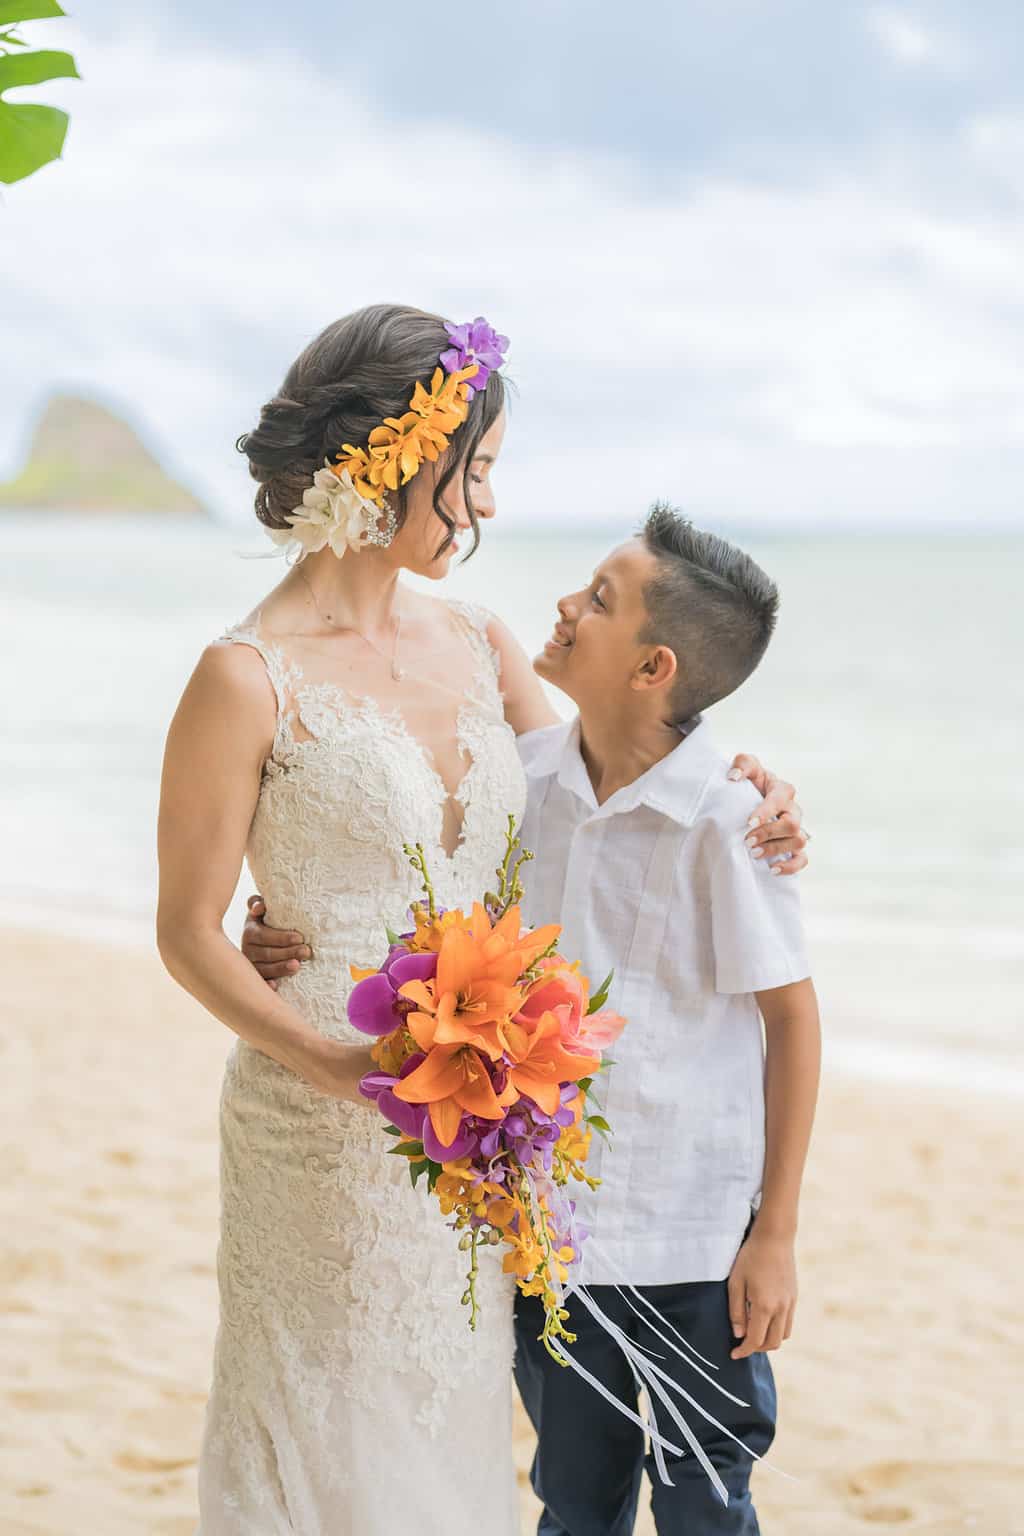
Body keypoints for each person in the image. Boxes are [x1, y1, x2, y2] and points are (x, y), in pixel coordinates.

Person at [160, 301, 808, 1536]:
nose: (490, 509)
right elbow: (187, 929)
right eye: (478, 474)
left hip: (476, 1129)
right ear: (399, 464)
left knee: (451, 1428)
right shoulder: (239, 677)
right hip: (315, 1120)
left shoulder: (479, 642)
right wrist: (334, 1059)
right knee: (320, 1418)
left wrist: (750, 786)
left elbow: (606, 778)